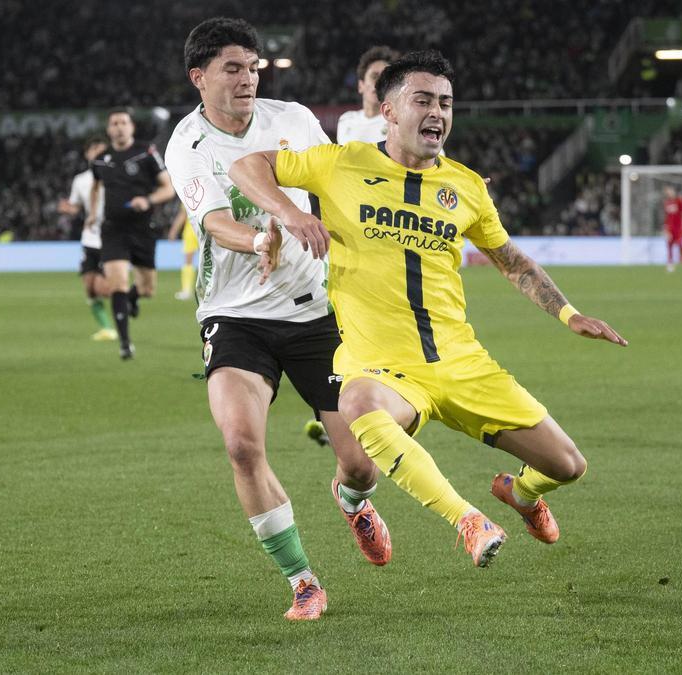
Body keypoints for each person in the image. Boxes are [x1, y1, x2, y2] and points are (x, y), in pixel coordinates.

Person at [230, 49, 626, 572]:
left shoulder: (466, 187)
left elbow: (511, 261)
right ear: (389, 110)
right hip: (382, 363)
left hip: (461, 361)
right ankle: (465, 519)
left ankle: (521, 494)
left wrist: (569, 314)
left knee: (568, 465)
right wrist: (289, 215)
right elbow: (246, 165)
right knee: (359, 405)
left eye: (446, 102)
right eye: (423, 100)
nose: (437, 112)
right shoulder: (341, 162)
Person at [162, 17, 391, 622]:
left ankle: (350, 499)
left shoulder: (291, 120)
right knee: (241, 444)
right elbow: (212, 221)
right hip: (234, 314)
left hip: (316, 309)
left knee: (363, 460)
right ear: (199, 77)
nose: (248, 78)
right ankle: (302, 580)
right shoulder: (187, 143)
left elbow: (340, 180)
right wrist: (257, 239)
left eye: (254, 67)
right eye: (233, 68)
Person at [86, 108, 175, 359]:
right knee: (118, 283)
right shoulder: (101, 160)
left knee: (147, 289)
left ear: (132, 127)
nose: (119, 127)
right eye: (114, 123)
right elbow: (95, 187)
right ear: (108, 129)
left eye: (123, 122)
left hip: (142, 229)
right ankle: (125, 343)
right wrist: (93, 213)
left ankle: (133, 298)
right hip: (113, 229)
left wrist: (147, 200)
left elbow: (168, 189)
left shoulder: (146, 152)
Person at [57, 136, 117, 340]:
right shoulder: (80, 180)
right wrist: (68, 209)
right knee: (89, 287)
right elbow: (76, 206)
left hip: (110, 238)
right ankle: (106, 328)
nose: (98, 154)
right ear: (88, 154)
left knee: (105, 288)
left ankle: (127, 296)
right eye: (95, 151)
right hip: (89, 238)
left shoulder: (114, 175)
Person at [336, 46, 401, 144]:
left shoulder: (397, 122)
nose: (379, 82)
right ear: (360, 85)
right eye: (374, 76)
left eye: (385, 78)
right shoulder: (346, 120)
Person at [166, 207, 199, 300]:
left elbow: (182, 214)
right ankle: (187, 290)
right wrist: (174, 230)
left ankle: (187, 290)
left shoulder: (189, 194)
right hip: (199, 229)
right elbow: (183, 214)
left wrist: (173, 231)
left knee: (189, 260)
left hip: (193, 230)